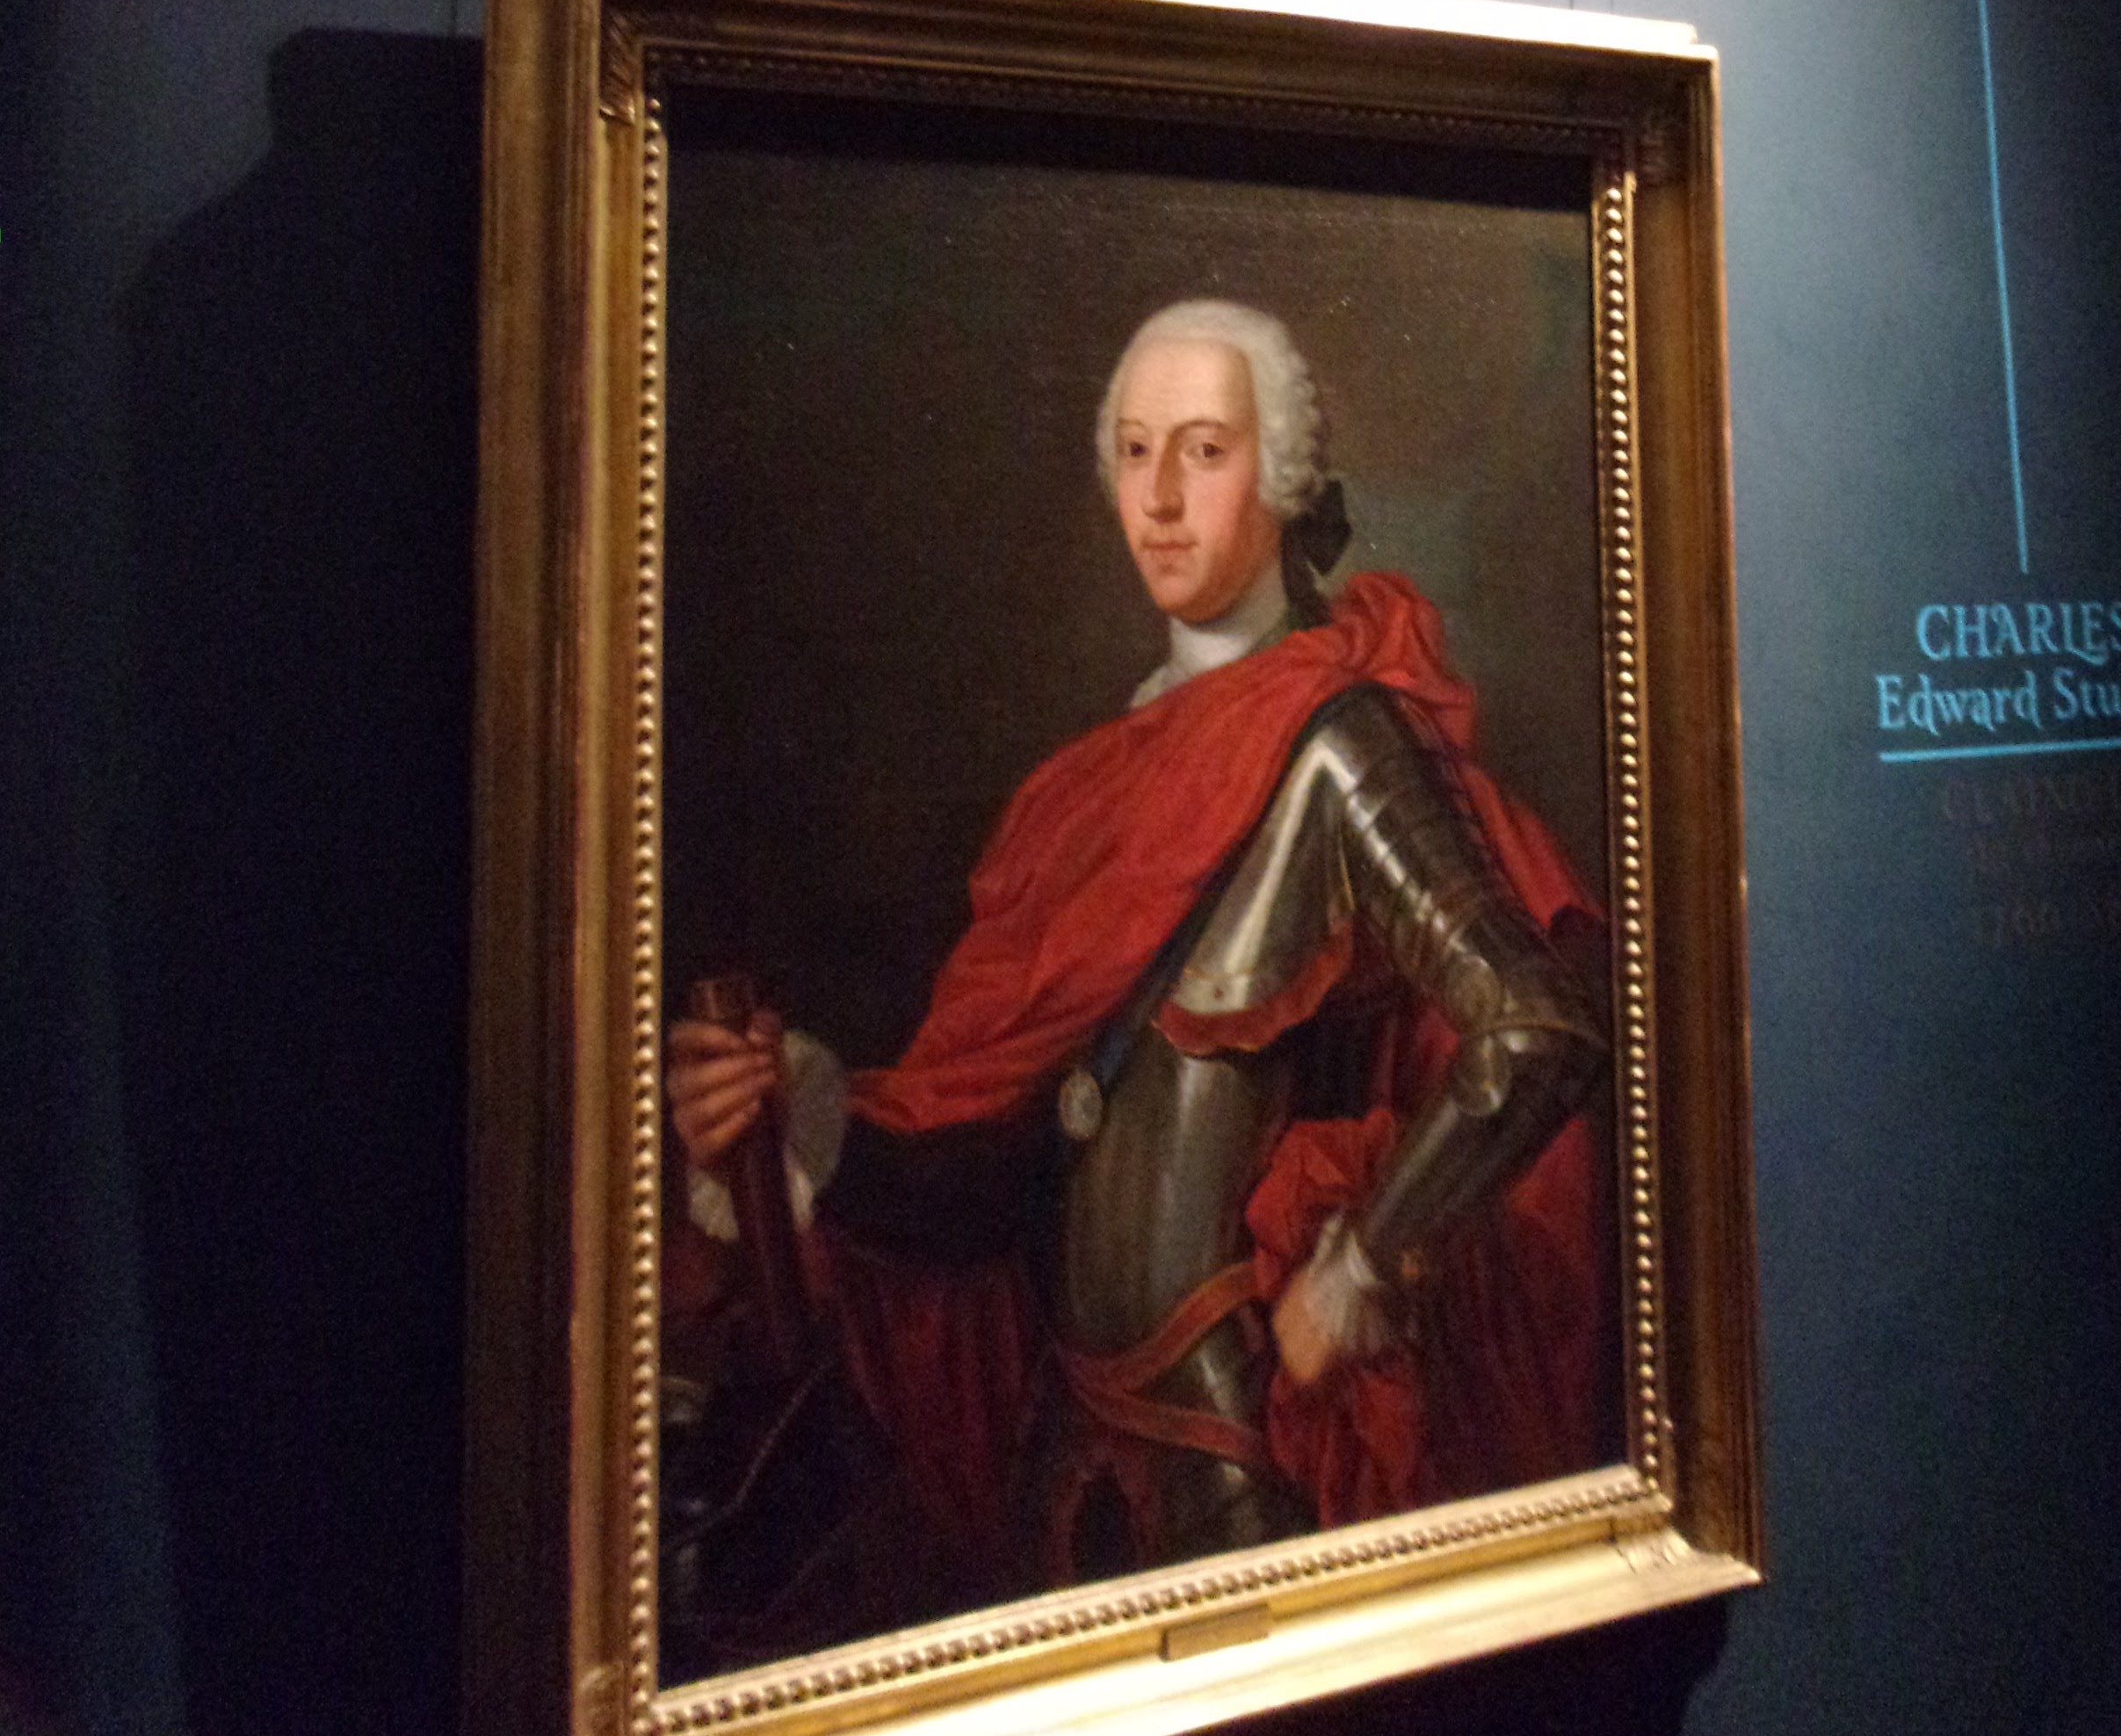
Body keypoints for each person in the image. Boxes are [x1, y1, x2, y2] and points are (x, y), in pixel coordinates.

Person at [669, 300, 1609, 1601]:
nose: (1160, 499)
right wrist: (791, 1117)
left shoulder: (1340, 745)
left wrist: (1358, 1266)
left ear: (1283, 478)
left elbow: (1537, 1027)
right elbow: (990, 1163)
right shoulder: (1076, 797)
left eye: (1206, 451)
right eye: (1133, 451)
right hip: (1061, 1461)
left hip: (1245, 1459)